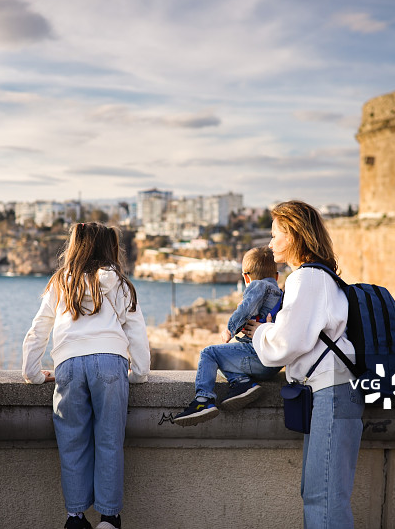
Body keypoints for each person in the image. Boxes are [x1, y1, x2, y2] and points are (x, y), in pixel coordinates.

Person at [243, 200, 365, 529]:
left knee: (323, 497)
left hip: (331, 393)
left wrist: (259, 332)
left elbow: (287, 343)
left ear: (294, 235)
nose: (270, 243)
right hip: (335, 391)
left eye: (275, 235)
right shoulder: (321, 277)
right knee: (319, 493)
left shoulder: (306, 278)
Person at [22, 222, 150, 529]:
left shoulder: (60, 282)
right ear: (109, 247)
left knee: (72, 442)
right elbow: (136, 330)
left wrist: (32, 373)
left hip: (68, 364)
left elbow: (39, 329)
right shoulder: (119, 283)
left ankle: (75, 517)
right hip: (110, 362)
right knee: (109, 441)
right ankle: (109, 518)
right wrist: (138, 373)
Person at [173, 246, 283, 426]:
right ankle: (242, 383)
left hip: (255, 355)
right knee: (225, 357)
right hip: (273, 363)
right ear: (277, 276)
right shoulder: (281, 294)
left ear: (246, 277)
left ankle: (203, 400)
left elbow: (245, 309)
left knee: (210, 353)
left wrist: (230, 329)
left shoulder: (258, 285)